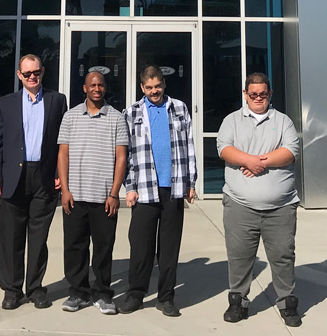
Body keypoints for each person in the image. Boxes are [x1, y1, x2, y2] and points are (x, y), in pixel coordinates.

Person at [217, 73, 301, 328]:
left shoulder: (283, 121)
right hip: (240, 205)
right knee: (239, 256)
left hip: (281, 208)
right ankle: (238, 301)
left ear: (269, 93)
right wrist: (247, 160)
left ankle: (287, 303)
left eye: (262, 94)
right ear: (245, 94)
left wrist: (257, 162)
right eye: (253, 94)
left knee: (282, 256)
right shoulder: (232, 120)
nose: (258, 99)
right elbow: (223, 148)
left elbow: (290, 152)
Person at [0, 53, 67, 311]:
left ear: (43, 72)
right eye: (27, 74)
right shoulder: (6, 103)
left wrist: (60, 174)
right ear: (19, 75)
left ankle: (35, 288)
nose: (32, 77)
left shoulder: (57, 101)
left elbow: (62, 143)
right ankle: (11, 290)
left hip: (43, 178)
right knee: (10, 238)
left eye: (37, 72)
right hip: (14, 178)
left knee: (38, 237)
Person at [117, 64, 198, 317]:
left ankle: (166, 297)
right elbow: (125, 153)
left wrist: (191, 183)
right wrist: (128, 187)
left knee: (169, 248)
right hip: (143, 190)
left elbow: (190, 146)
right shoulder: (131, 113)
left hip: (173, 188)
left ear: (164, 84)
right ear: (142, 87)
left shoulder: (180, 109)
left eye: (158, 86)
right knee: (141, 248)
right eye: (149, 87)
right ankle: (135, 295)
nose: (154, 91)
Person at [56, 70, 129, 315]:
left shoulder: (117, 118)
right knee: (75, 248)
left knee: (103, 249)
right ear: (85, 88)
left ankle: (103, 294)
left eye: (101, 85)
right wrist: (65, 190)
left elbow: (121, 158)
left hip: (104, 198)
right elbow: (62, 154)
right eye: (92, 85)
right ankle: (78, 293)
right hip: (75, 196)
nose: (97, 89)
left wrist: (114, 193)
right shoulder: (70, 116)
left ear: (105, 88)